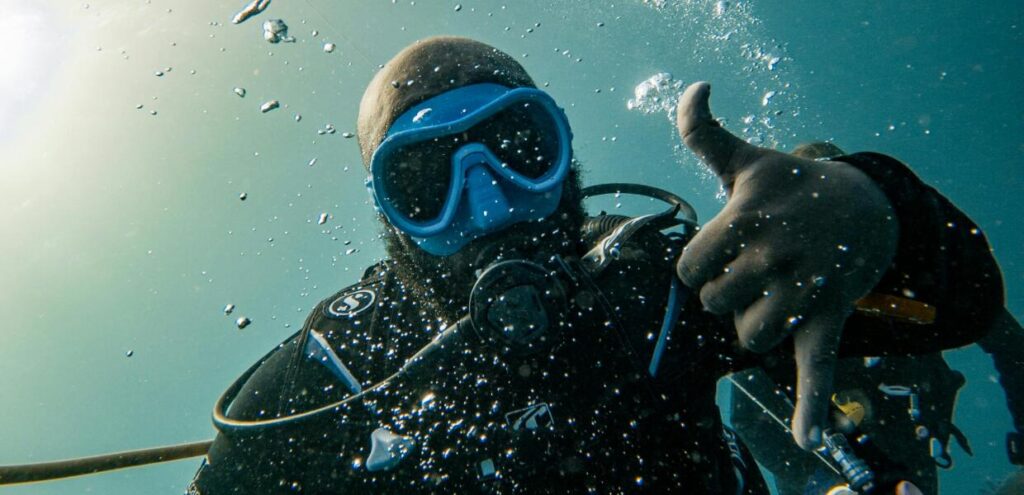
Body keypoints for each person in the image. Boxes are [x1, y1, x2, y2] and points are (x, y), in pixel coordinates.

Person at [187, 36, 1005, 494]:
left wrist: (887, 218)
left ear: (567, 161)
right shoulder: (337, 374)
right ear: (389, 219)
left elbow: (966, 302)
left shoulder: (659, 278)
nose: (489, 201)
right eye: (426, 182)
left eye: (518, 150)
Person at [727, 143, 1024, 495]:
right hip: (821, 474)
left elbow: (1006, 339)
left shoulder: (913, 277)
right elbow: (750, 419)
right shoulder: (773, 302)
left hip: (909, 450)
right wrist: (821, 482)